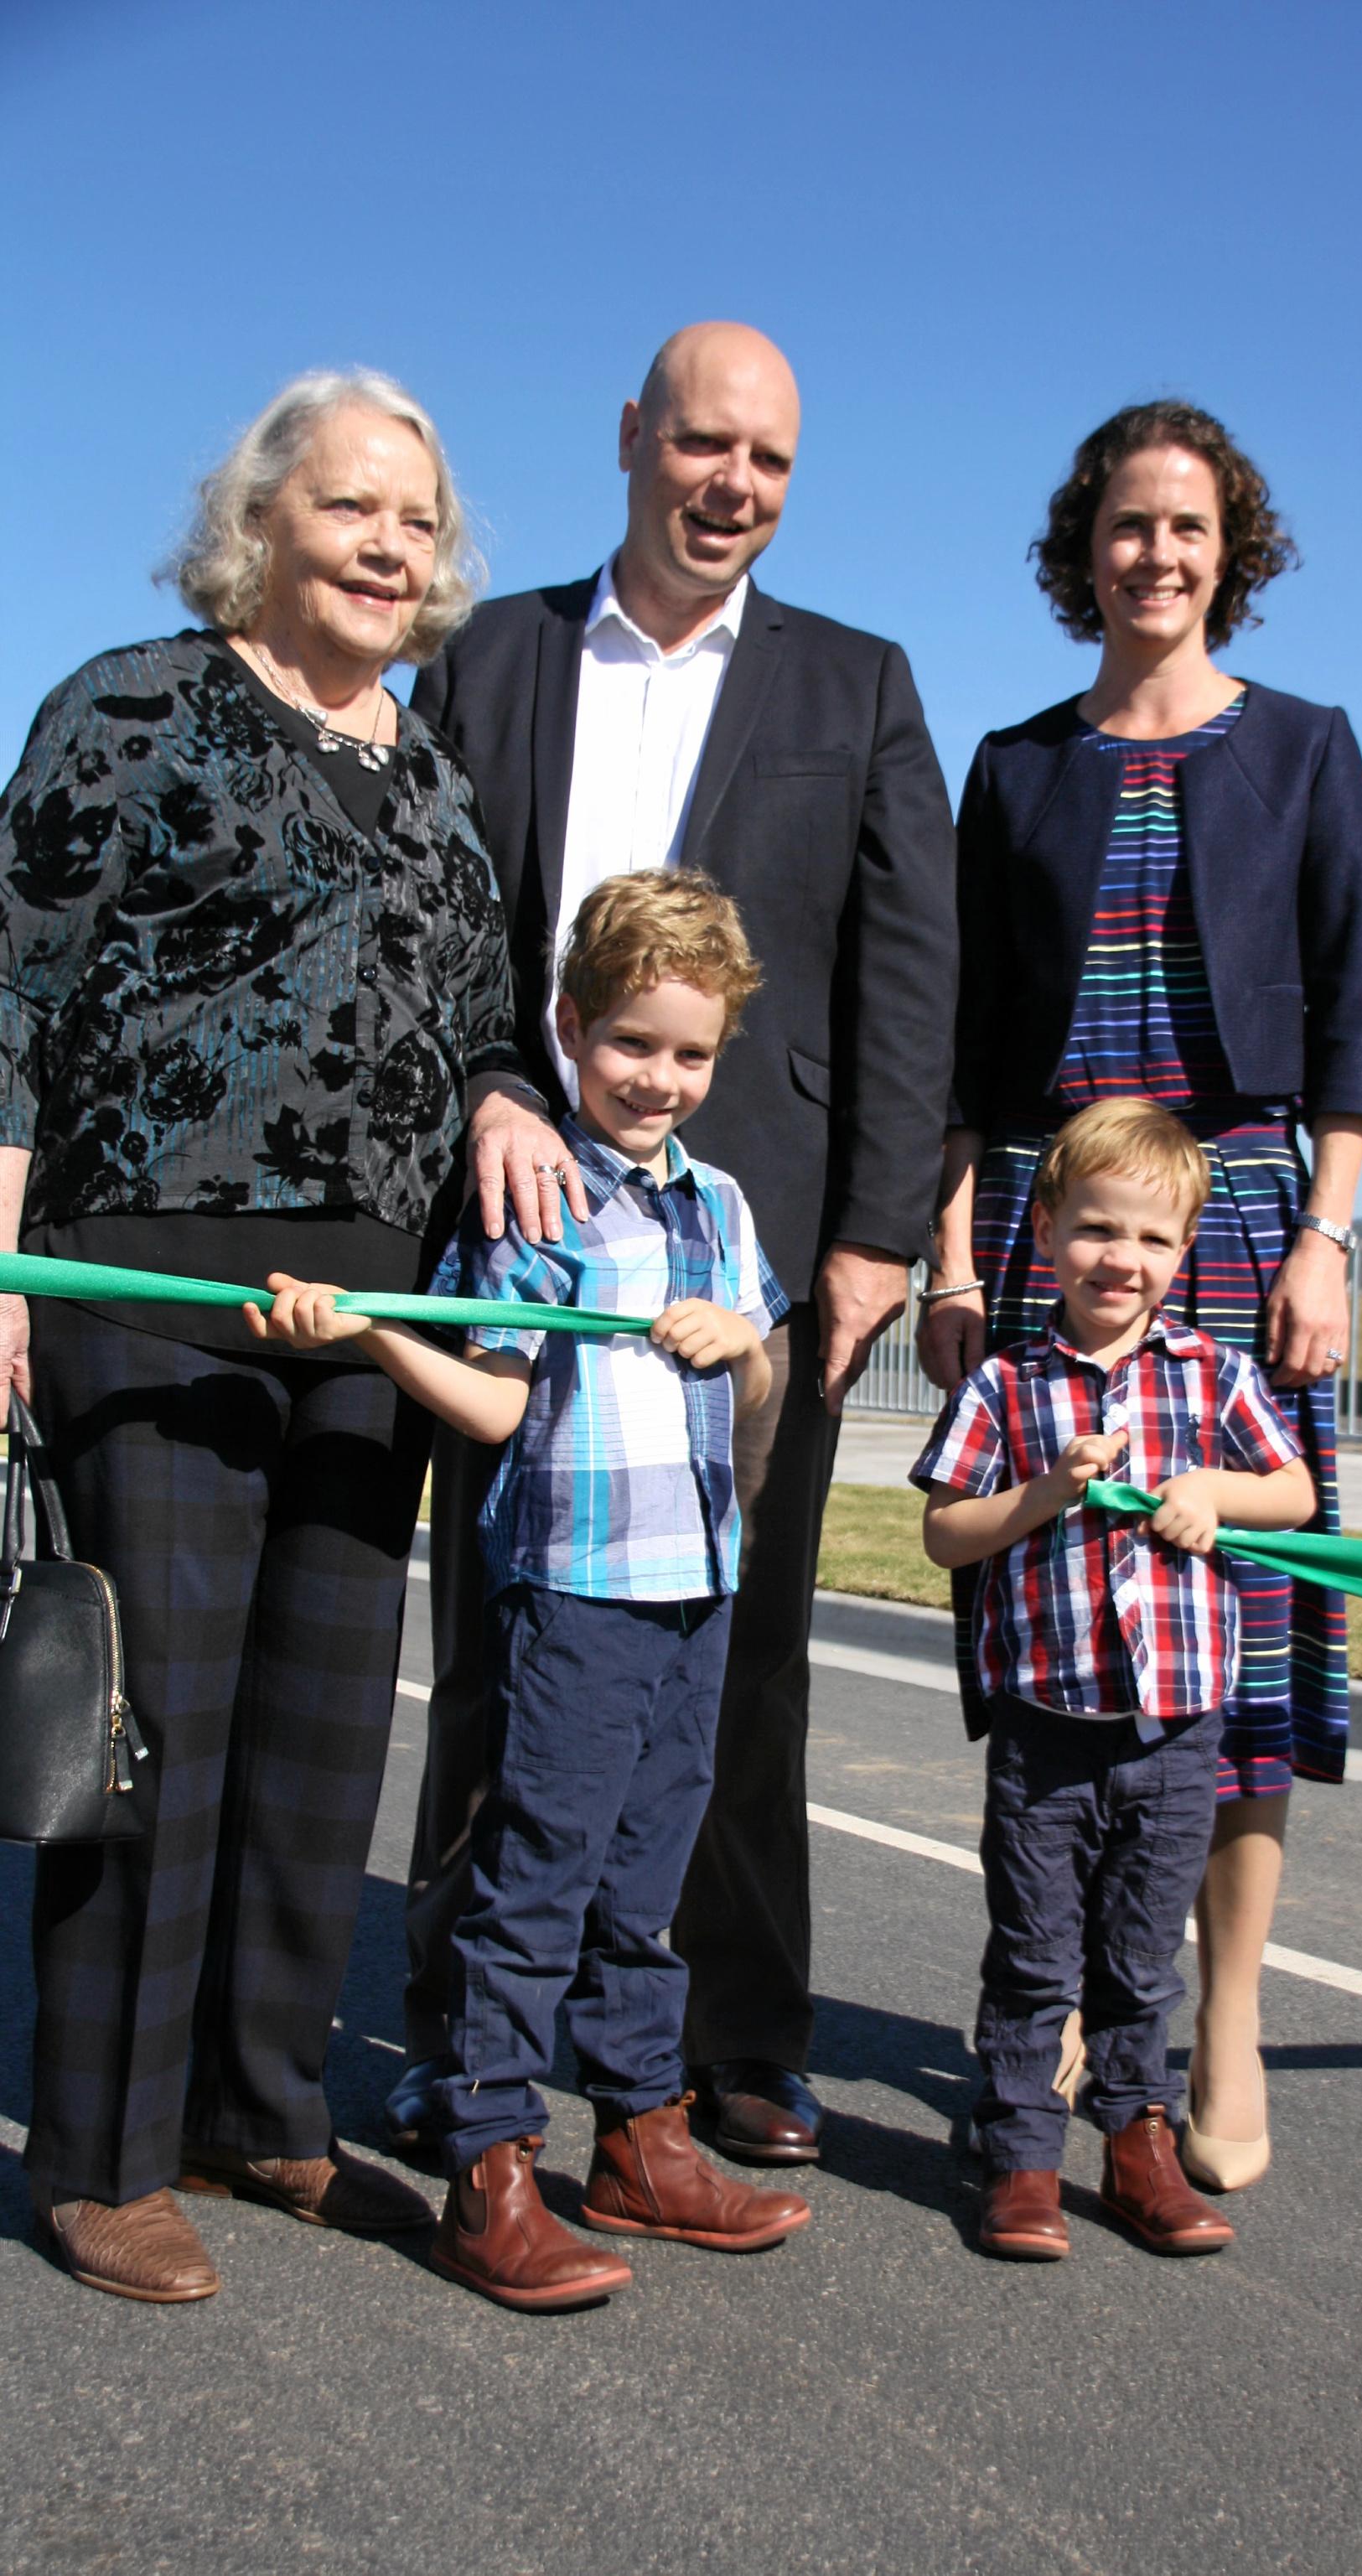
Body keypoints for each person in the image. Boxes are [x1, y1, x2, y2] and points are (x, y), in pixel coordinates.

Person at [391, 320, 957, 2166]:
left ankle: (730, 2037)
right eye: (706, 445)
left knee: (741, 1646)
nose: (735, 487)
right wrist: (491, 1082)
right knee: (504, 1629)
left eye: (771, 462)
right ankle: (460, 2024)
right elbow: (437, 921)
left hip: (753, 1242)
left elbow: (906, 977)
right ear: (633, 437)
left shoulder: (856, 684)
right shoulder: (491, 656)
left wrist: (873, 1233)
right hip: (525, 1210)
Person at [0, 368, 540, 2302]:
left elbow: (484, 1014)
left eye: (420, 519)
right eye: (353, 509)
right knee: (163, 1715)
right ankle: (101, 2148)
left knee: (324, 1709)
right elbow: (12, 996)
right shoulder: (129, 707)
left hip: (366, 1296)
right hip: (145, 1276)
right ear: (262, 526)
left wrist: (499, 1094)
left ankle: (255, 2093)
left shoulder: (437, 774)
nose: (395, 544)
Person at [919, 401, 1362, 2193]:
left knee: (1238, 1629)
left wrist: (1327, 1237)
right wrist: (962, 1252)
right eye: (1128, 526)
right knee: (1055, 1608)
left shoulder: (1310, 748)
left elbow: (1349, 1016)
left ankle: (1222, 2015)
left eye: (1189, 529)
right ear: (1082, 545)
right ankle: (1053, 1994)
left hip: (1248, 1215)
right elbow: (966, 1049)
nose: (1157, 556)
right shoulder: (1014, 763)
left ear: (1230, 552)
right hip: (1050, 1217)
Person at [254, 870, 812, 2310]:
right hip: (574, 1591)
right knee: (540, 1876)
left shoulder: (724, 1206)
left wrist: (740, 1349)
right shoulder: (539, 1192)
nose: (661, 1079)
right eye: (631, 1042)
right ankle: (489, 2155)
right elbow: (495, 1407)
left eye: (691, 1053)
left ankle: (639, 2132)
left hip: (697, 1589)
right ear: (568, 1025)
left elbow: (759, 1395)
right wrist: (375, 1333)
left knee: (647, 1878)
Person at [913, 1100, 1315, 2259]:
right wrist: (1045, 1490)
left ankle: (1135, 2139)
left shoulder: (1214, 1376)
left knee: (1141, 1958)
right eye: (1095, 1229)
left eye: (1150, 1240)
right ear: (1045, 1233)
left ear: (1183, 1253)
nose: (1120, 1260)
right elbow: (948, 1532)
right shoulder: (1006, 1384)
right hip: (1046, 1733)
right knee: (1037, 1953)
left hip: (1176, 1735)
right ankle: (1023, 2152)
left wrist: (1212, 1493)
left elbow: (1289, 1493)